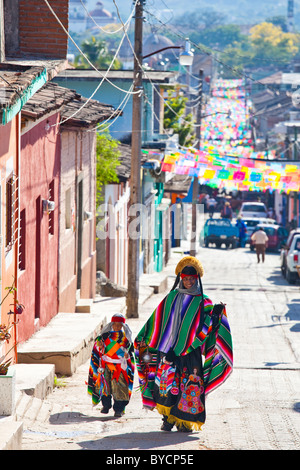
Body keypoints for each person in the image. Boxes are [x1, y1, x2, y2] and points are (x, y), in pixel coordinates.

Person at [134, 256, 233, 432]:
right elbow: (158, 322)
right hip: (168, 352)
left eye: (191, 279)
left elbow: (206, 329)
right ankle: (168, 420)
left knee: (188, 386)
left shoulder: (204, 301)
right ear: (181, 278)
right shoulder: (171, 298)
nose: (188, 282)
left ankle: (184, 422)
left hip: (190, 353)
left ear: (197, 279)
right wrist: (144, 337)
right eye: (185, 278)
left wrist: (216, 315)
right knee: (167, 385)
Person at [87, 313, 135, 417]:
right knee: (105, 386)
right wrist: (99, 344)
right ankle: (106, 406)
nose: (117, 327)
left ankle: (119, 409)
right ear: (111, 324)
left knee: (120, 387)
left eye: (119, 325)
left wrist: (127, 354)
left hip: (119, 367)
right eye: (115, 324)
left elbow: (131, 350)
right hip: (106, 366)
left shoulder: (126, 338)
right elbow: (98, 346)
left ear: (123, 326)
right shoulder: (105, 336)